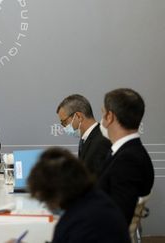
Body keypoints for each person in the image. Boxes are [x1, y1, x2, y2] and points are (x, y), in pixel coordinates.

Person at [26, 147, 130, 243]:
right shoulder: (95, 201)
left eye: (46, 200)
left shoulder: (82, 222)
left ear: (58, 193)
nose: (48, 206)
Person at [98, 88, 154, 225]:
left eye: (103, 112)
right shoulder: (125, 152)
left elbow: (119, 218)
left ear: (109, 117)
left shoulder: (128, 161)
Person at [56, 94, 111, 177]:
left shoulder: (101, 140)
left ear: (78, 116)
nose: (64, 127)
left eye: (64, 122)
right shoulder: (85, 140)